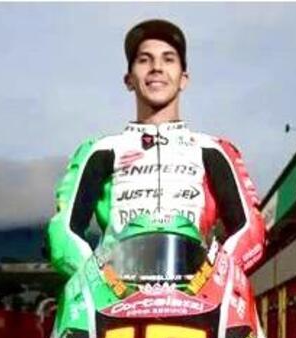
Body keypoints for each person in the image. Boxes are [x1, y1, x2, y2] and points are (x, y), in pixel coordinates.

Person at [47, 19, 266, 280]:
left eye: (168, 59)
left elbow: (250, 229)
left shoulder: (213, 150)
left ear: (183, 79)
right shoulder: (100, 151)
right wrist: (97, 279)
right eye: (144, 60)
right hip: (115, 292)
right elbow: (64, 231)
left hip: (200, 292)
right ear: (129, 80)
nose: (157, 68)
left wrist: (216, 278)